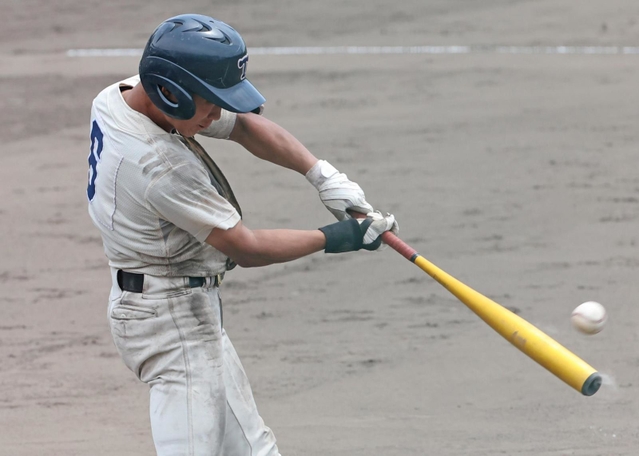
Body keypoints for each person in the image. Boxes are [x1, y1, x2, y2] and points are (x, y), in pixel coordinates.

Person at [86, 13, 398, 456]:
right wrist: (339, 236)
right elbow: (245, 248)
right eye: (210, 102)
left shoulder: (124, 95)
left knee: (255, 451)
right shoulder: (158, 165)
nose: (217, 113)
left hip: (185, 307)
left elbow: (244, 126)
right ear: (169, 92)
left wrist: (324, 177)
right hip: (167, 322)